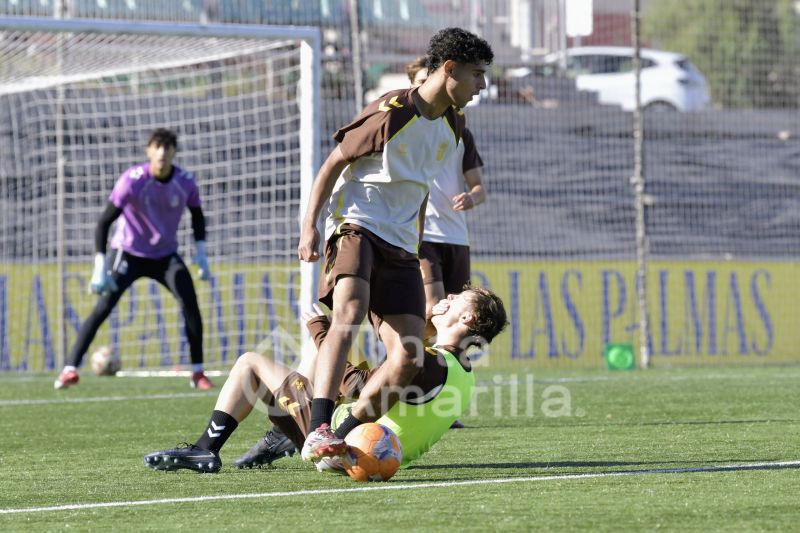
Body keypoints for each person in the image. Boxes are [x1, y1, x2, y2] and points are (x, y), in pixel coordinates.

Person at [296, 27, 494, 462]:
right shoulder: (392, 111)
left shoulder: (454, 124)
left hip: (402, 245)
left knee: (406, 356)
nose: (482, 86)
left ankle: (343, 434)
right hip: (357, 224)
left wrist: (415, 244)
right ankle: (318, 428)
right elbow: (333, 164)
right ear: (450, 69)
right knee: (348, 309)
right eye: (478, 75)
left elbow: (418, 188)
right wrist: (308, 226)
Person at [142, 286, 507, 473]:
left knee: (250, 363)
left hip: (345, 449)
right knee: (318, 358)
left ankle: (207, 447)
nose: (448, 297)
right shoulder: (461, 372)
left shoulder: (426, 363)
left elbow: (359, 387)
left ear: (469, 319)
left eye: (459, 299)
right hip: (380, 457)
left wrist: (322, 333)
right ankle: (282, 437)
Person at [54, 128, 215, 390]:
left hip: (164, 255)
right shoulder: (133, 180)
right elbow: (104, 222)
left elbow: (197, 215)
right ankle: (69, 369)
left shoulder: (185, 181)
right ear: (148, 151)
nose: (162, 152)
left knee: (190, 301)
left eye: (168, 147)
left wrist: (201, 253)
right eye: (157, 146)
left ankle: (198, 373)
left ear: (174, 152)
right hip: (128, 252)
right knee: (104, 306)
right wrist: (100, 266)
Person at [407, 57, 487, 429]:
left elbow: (479, 187)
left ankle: (445, 396)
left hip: (457, 237)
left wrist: (472, 196)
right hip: (425, 238)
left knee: (459, 323)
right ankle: (413, 384)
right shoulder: (410, 126)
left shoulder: (459, 131)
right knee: (433, 309)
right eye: (421, 80)